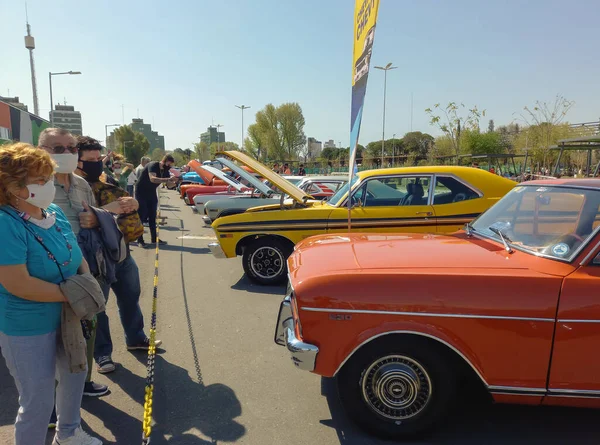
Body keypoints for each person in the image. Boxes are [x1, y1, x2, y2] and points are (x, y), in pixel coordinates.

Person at [0, 142, 102, 445]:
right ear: (11, 185)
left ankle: (69, 435)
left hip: (67, 315)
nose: (48, 186)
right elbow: (20, 285)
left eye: (48, 178)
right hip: (27, 326)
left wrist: (85, 280)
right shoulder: (5, 224)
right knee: (38, 401)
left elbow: (75, 252)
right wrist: (76, 294)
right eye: (40, 180)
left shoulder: (52, 210)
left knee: (73, 376)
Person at [75, 136, 162, 375]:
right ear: (76, 161)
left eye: (98, 159)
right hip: (94, 262)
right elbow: (77, 220)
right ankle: (102, 353)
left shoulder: (105, 182)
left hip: (122, 255)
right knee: (98, 308)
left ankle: (136, 337)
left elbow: (123, 206)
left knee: (130, 298)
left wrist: (132, 203)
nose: (96, 164)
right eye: (89, 160)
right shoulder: (72, 189)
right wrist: (107, 212)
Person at [38, 128, 110, 400]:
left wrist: (95, 220)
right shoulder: (35, 185)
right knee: (51, 342)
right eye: (58, 149)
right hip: (47, 273)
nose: (67, 154)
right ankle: (52, 403)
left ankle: (84, 382)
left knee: (85, 330)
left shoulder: (81, 185)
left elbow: (92, 219)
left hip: (83, 269)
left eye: (71, 148)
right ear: (42, 151)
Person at [135, 154, 178, 247]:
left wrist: (175, 182)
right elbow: (153, 179)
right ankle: (140, 240)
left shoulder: (166, 171)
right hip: (141, 192)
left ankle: (154, 238)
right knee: (142, 215)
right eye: (169, 164)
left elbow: (169, 185)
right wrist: (167, 179)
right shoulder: (153, 165)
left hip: (151, 192)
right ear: (164, 162)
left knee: (152, 216)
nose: (170, 166)